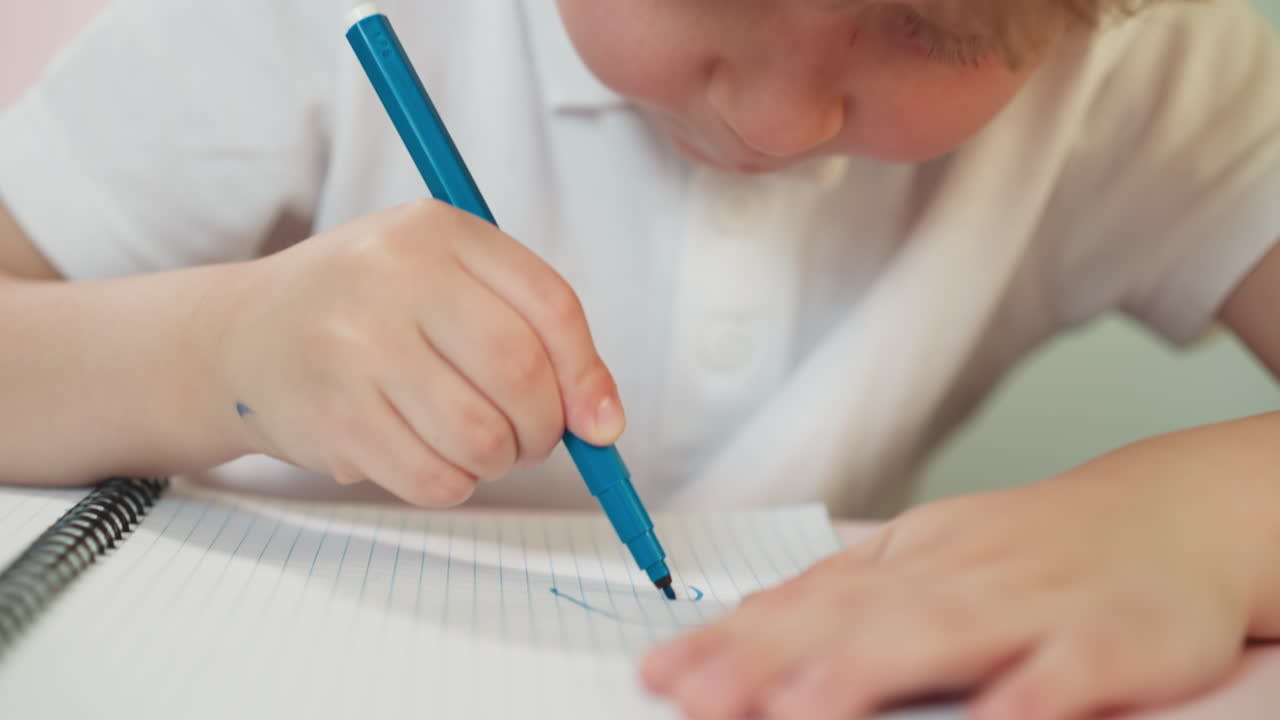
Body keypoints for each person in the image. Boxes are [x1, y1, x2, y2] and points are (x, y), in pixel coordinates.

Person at [1, 0, 1277, 717]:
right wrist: (221, 348)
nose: (779, 118)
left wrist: (1200, 524)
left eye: (931, 30)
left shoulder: (1139, 50)